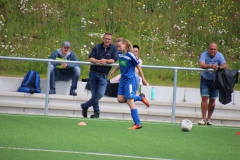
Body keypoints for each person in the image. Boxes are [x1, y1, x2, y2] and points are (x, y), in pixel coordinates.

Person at [110, 38, 150, 130]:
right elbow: (121, 63)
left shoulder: (131, 55)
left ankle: (137, 123)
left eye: (119, 46)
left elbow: (138, 67)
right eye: (117, 47)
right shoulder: (120, 53)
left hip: (130, 81)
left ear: (125, 45)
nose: (118, 48)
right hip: (123, 80)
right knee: (120, 99)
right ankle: (140, 97)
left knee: (129, 101)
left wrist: (143, 79)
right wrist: (114, 70)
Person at [81, 32, 118, 118]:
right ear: (103, 39)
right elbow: (91, 58)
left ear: (111, 40)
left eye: (109, 39)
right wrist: (99, 61)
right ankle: (96, 113)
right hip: (93, 73)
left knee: (100, 94)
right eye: (106, 38)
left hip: (103, 75)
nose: (107, 40)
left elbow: (114, 59)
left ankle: (85, 106)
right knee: (94, 94)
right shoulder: (97, 47)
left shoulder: (113, 48)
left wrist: (105, 61)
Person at [198, 42, 227, 125]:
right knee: (204, 98)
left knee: (212, 100)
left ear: (217, 50)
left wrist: (218, 67)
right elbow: (201, 64)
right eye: (211, 49)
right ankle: (203, 118)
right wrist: (210, 66)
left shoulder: (220, 55)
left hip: (215, 81)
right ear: (208, 49)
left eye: (214, 49)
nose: (213, 51)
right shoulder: (204, 54)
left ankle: (209, 119)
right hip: (205, 79)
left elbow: (225, 65)